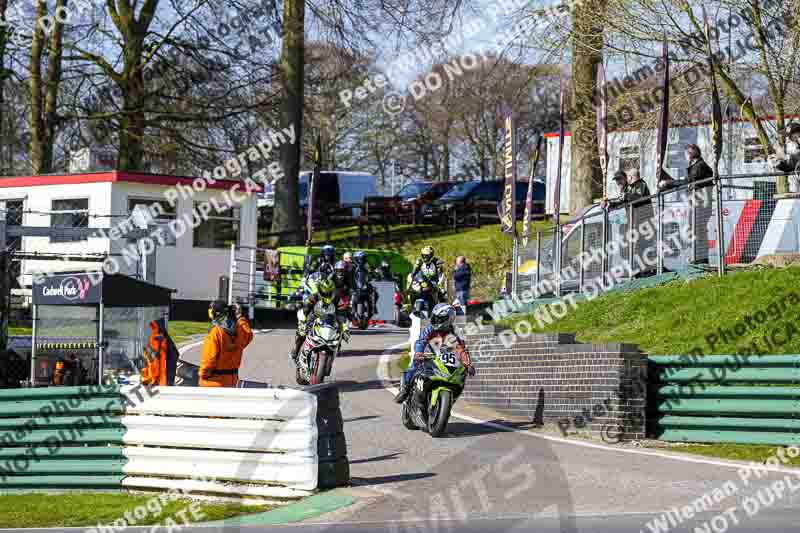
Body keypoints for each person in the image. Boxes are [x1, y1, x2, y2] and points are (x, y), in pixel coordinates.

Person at [393, 303, 476, 404]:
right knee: (415, 363)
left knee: (462, 375)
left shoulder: (455, 332)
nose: (435, 320)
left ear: (448, 320)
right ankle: (405, 390)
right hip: (428, 355)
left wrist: (467, 364)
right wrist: (419, 352)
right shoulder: (430, 328)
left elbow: (461, 349)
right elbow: (421, 341)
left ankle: (449, 400)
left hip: (445, 359)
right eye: (435, 317)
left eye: (439, 319)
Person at [290, 274, 350, 364]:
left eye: (330, 293)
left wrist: (345, 328)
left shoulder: (337, 298)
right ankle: (296, 350)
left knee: (340, 333)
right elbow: (305, 309)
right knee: (302, 333)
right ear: (320, 291)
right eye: (325, 293)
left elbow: (341, 313)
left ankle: (334, 350)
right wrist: (302, 322)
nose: (327, 295)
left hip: (330, 320)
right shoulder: (314, 296)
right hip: (314, 318)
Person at [199, 301, 253, 387]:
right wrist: (239, 317)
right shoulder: (239, 330)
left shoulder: (215, 333)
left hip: (214, 382)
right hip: (233, 381)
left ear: (213, 313)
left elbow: (209, 360)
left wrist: (202, 375)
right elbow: (248, 334)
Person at [140, 318, 180, 386]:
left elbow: (151, 363)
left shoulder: (156, 338)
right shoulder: (159, 338)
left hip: (159, 382)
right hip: (160, 382)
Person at [770, 123, 800, 192]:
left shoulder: (796, 144)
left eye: (791, 135)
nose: (788, 138)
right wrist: (779, 164)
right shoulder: (788, 145)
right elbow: (789, 166)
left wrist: (785, 157)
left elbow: (795, 159)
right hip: (794, 176)